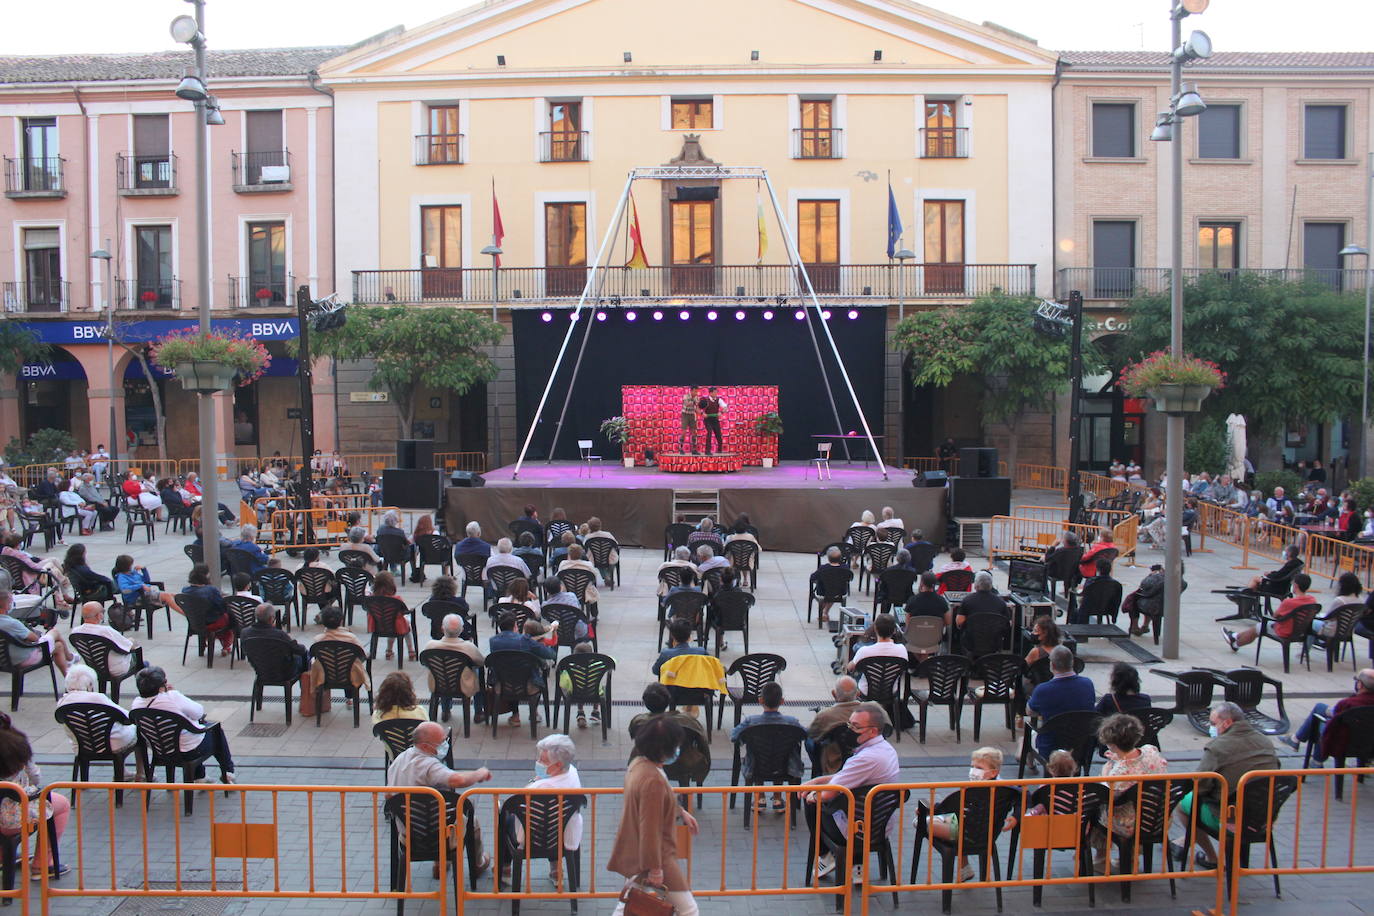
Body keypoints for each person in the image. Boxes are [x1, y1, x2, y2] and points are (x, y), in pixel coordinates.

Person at [608, 717, 701, 915]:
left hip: (636, 851)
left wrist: (680, 811)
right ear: (664, 750)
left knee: (628, 903)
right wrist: (655, 869)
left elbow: (654, 804)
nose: (678, 749)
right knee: (689, 910)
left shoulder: (638, 765)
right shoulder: (653, 780)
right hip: (655, 857)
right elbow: (650, 827)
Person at [798, 702, 900, 880]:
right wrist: (816, 781)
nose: (850, 730)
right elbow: (846, 776)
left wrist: (812, 794)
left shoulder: (865, 759)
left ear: (873, 731)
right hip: (881, 824)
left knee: (812, 802)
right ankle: (856, 865)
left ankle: (826, 855)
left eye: (856, 726)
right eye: (850, 724)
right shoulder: (887, 750)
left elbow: (830, 793)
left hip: (859, 829)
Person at [1171, 702, 1279, 868]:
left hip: (1231, 818)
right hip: (1265, 817)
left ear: (1227, 723)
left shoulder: (1217, 748)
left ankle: (1212, 858)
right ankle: (1188, 841)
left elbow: (1200, 786)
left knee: (1185, 804)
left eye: (1213, 724)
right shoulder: (1265, 742)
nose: (1211, 728)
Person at [386, 721, 493, 876]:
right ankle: (477, 863)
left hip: (407, 831)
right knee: (471, 820)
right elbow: (457, 780)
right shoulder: (428, 765)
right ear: (424, 746)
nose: (444, 744)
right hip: (436, 834)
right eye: (441, 742)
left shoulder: (400, 759)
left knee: (439, 809)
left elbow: (388, 795)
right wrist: (479, 773)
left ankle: (441, 863)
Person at [919, 747, 1018, 882]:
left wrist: (928, 810)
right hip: (986, 835)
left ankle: (962, 864)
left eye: (979, 767)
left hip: (965, 834)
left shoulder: (971, 791)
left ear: (993, 772)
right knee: (958, 822)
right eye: (972, 766)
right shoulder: (1007, 788)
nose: (973, 770)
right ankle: (963, 867)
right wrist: (1017, 815)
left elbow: (947, 809)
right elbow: (1024, 794)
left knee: (920, 822)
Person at [131, 666, 236, 784]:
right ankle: (228, 772)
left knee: (190, 734)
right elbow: (198, 712)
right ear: (161, 686)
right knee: (215, 732)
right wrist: (173, 692)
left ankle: (200, 776)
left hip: (160, 750)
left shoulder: (136, 704)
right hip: (188, 752)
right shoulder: (172, 697)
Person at [0, 715, 71, 879]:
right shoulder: (16, 746)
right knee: (60, 804)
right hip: (12, 820)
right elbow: (36, 777)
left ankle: (4, 856)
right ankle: (43, 865)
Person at [1096, 714, 1168, 856]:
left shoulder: (1119, 774)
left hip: (1130, 824)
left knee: (1094, 810)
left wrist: (1106, 771)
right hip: (1159, 818)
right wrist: (1119, 758)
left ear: (1112, 744)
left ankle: (1101, 858)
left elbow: (1106, 794)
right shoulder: (1150, 751)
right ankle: (1131, 858)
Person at [730, 681, 805, 802]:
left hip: (756, 768)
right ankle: (777, 797)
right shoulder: (791, 722)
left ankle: (760, 797)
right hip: (786, 768)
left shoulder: (751, 721)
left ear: (760, 701)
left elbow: (734, 736)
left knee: (758, 753)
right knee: (780, 752)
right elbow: (806, 735)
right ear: (782, 701)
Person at [511, 733, 584, 855]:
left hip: (537, 838)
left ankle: (504, 865)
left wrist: (534, 780)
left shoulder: (540, 787)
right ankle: (555, 866)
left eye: (543, 761)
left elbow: (518, 802)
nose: (538, 762)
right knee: (553, 814)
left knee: (504, 817)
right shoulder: (572, 771)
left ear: (558, 765)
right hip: (567, 834)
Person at [1283, 668, 1374, 756]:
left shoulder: (1348, 703)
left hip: (1345, 742)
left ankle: (1310, 754)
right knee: (1321, 712)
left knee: (1321, 720)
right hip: (1370, 741)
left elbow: (1335, 718)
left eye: (1356, 680)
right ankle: (1299, 742)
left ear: (1360, 685)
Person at [488, 611, 557, 728]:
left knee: (509, 672)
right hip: (527, 685)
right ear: (515, 626)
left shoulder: (493, 641)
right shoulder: (525, 640)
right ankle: (533, 711)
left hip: (502, 684)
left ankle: (515, 715)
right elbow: (551, 655)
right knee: (533, 674)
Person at [56, 664, 138, 759]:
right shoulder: (97, 698)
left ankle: (123, 770)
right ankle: (141, 772)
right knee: (137, 730)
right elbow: (127, 716)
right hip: (111, 744)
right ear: (90, 685)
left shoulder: (61, 703)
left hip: (81, 747)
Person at [1026, 646, 1095, 759]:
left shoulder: (1043, 689)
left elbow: (1030, 712)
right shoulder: (1087, 684)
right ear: (1072, 663)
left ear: (1052, 665)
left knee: (1024, 739)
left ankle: (1029, 763)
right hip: (1081, 745)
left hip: (1050, 747)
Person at [628, 682, 711, 775]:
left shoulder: (638, 722)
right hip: (684, 764)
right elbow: (703, 744)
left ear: (645, 702)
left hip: (646, 764)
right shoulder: (688, 721)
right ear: (668, 700)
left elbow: (633, 736)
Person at [1224, 573, 1315, 651]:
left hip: (1286, 631)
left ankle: (1236, 644)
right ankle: (1235, 636)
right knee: (1260, 627)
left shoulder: (1289, 602)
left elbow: (1275, 616)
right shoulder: (1312, 600)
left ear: (1295, 585)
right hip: (1302, 631)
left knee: (1258, 628)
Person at [422, 613, 486, 720]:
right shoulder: (468, 647)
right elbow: (481, 662)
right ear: (461, 630)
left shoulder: (431, 646)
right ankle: (478, 711)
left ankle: (445, 710)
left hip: (439, 684)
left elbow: (423, 662)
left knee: (442, 672)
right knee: (479, 671)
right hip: (463, 685)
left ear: (442, 628)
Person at [0, 586, 73, 676]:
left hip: (3, 659)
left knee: (55, 637)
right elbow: (34, 639)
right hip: (19, 659)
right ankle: (69, 673)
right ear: (7, 605)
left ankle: (70, 658)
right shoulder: (11, 623)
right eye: (11, 601)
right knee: (58, 644)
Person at [806, 676, 865, 775]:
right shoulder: (873, 710)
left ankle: (819, 770)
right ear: (858, 693)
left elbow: (811, 733)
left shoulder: (825, 715)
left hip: (835, 765)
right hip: (865, 762)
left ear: (834, 694)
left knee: (809, 740)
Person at [177, 563, 235, 656]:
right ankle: (226, 645)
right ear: (206, 575)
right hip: (211, 623)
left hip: (194, 623)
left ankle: (206, 642)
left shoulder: (185, 590)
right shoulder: (211, 590)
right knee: (229, 618)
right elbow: (221, 607)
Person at [71, 601, 142, 676]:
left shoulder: (75, 632)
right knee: (138, 654)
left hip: (93, 667)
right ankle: (144, 682)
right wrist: (131, 640)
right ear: (99, 616)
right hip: (115, 669)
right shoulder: (106, 631)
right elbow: (128, 647)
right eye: (103, 611)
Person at [2, 534, 74, 608]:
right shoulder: (19, 555)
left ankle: (63, 588)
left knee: (53, 561)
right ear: (17, 544)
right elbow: (34, 567)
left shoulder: (5, 551)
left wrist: (41, 560)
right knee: (53, 570)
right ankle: (64, 583)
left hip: (17, 577)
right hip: (29, 577)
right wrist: (43, 563)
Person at [311, 606, 372, 694]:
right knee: (352, 665)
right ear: (341, 621)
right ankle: (350, 696)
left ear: (323, 623)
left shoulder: (318, 640)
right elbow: (362, 655)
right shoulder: (351, 638)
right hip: (350, 676)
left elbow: (313, 656)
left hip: (325, 677)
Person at [241, 602, 308, 678]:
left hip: (260, 670)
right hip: (283, 672)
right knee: (305, 656)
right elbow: (299, 650)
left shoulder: (245, 633)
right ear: (271, 619)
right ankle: (306, 686)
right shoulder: (279, 635)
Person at [846, 613, 907, 694]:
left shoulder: (864, 651)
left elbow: (849, 668)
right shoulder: (902, 649)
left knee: (856, 671)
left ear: (875, 629)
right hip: (891, 691)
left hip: (866, 692)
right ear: (894, 631)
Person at [810, 545, 852, 626]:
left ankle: (823, 613)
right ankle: (825, 612)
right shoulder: (845, 568)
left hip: (823, 592)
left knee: (827, 589)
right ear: (840, 557)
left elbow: (813, 578)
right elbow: (850, 577)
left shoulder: (823, 568)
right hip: (840, 592)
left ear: (828, 558)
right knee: (834, 589)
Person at [698, 386, 725, 455]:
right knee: (709, 433)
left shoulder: (719, 400)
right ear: (710, 393)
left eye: (717, 392)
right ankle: (707, 451)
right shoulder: (705, 400)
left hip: (715, 419)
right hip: (707, 420)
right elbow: (698, 408)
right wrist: (702, 413)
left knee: (718, 435)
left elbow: (726, 408)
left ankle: (719, 450)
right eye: (715, 392)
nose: (716, 393)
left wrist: (721, 412)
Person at [679, 385, 700, 454]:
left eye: (697, 391)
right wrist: (694, 401)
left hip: (692, 415)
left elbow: (696, 408)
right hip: (685, 414)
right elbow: (687, 404)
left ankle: (694, 450)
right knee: (684, 432)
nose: (696, 393)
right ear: (691, 391)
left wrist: (701, 413)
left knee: (694, 432)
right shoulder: (686, 396)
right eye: (695, 391)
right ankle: (681, 448)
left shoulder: (697, 398)